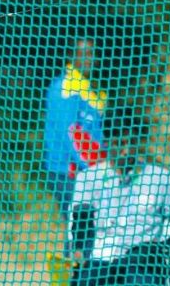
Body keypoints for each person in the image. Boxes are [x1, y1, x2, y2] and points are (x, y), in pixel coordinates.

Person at [68, 107, 170, 286]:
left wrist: (162, 249)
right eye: (120, 142)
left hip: (143, 263)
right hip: (101, 262)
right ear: (107, 142)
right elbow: (80, 227)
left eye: (132, 142)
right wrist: (81, 254)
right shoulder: (88, 179)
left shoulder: (159, 177)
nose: (127, 150)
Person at [44, 38, 107, 259]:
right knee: (80, 227)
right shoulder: (65, 88)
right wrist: (88, 165)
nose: (89, 59)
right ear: (72, 57)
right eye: (83, 53)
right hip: (68, 171)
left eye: (92, 53)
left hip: (92, 169)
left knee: (91, 227)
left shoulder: (92, 88)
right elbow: (68, 132)